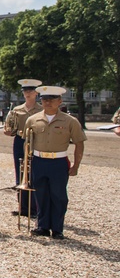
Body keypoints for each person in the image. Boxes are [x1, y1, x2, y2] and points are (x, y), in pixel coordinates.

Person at [24, 86, 86, 239]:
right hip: (39, 161)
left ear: (60, 101)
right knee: (41, 195)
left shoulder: (70, 121)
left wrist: (76, 165)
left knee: (58, 196)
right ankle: (42, 226)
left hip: (58, 162)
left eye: (52, 99)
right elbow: (27, 143)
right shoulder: (33, 120)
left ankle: (57, 229)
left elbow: (79, 143)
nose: (48, 102)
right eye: (45, 99)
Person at [4, 79, 42, 218]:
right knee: (20, 173)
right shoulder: (17, 110)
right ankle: (23, 207)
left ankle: (35, 207)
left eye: (30, 90)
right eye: (25, 91)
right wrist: (8, 131)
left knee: (34, 174)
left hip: (36, 142)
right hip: (20, 141)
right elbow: (10, 127)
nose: (27, 93)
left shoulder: (41, 110)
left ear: (36, 93)